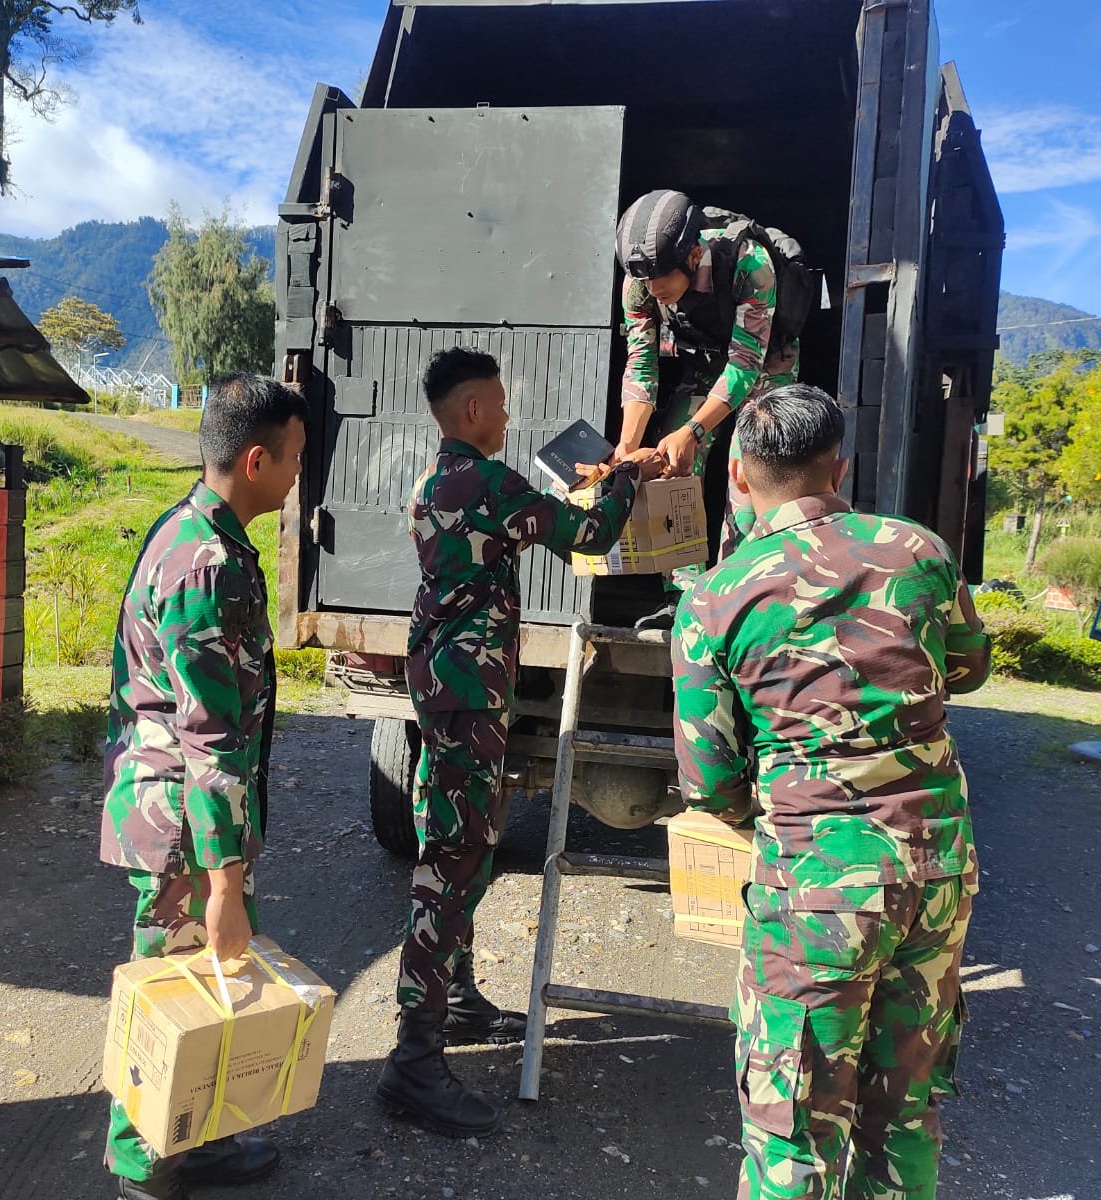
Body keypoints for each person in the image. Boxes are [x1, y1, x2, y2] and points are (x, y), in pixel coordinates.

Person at [671, 383, 991, 1200]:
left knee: (794, 1131)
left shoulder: (714, 597)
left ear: (737, 477)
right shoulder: (918, 550)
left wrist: (784, 810)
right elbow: (966, 668)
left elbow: (709, 780)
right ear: (838, 465)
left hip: (816, 890)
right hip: (937, 871)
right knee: (906, 1109)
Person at [378, 346, 657, 1136]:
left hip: (443, 683)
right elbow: (593, 531)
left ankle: (456, 999)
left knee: (466, 841)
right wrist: (626, 470)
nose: (507, 415)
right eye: (498, 402)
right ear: (470, 409)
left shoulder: (432, 483)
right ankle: (414, 1058)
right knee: (452, 861)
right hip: (468, 694)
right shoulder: (490, 485)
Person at [97, 373, 308, 1200]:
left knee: (204, 987)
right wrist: (223, 885)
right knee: (169, 995)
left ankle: (203, 1134)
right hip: (184, 819)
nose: (297, 474)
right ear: (255, 459)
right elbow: (209, 741)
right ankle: (144, 1166)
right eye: (292, 458)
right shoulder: (205, 564)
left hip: (193, 812)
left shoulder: (203, 532)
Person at [612, 188, 803, 626]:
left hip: (764, 361)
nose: (656, 291)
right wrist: (628, 447)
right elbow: (641, 366)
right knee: (670, 464)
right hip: (703, 356)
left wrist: (695, 432)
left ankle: (740, 597)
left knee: (749, 471)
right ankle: (683, 598)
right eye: (647, 283)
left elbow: (745, 365)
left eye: (663, 280)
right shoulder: (641, 283)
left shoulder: (750, 263)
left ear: (694, 255)